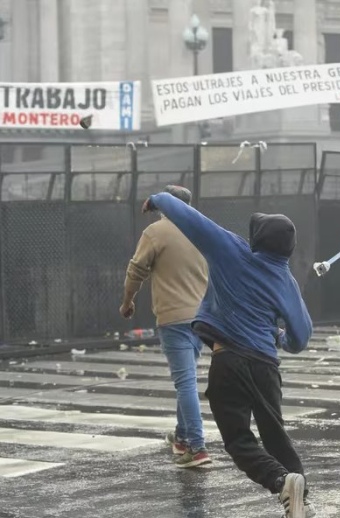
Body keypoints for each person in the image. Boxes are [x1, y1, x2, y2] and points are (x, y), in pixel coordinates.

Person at [141, 189, 314, 518]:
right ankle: (302, 502)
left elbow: (191, 219)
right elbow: (301, 336)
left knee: (238, 441)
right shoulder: (285, 280)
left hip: (230, 361)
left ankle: (281, 482)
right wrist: (280, 336)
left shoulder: (231, 250)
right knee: (276, 438)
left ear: (258, 240)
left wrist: (159, 198)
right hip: (265, 367)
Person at [120, 185, 211, 468]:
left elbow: (136, 270)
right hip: (203, 318)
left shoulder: (156, 233)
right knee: (187, 377)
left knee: (185, 383)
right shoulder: (204, 231)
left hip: (173, 318)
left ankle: (197, 448)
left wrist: (127, 302)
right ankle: (182, 437)